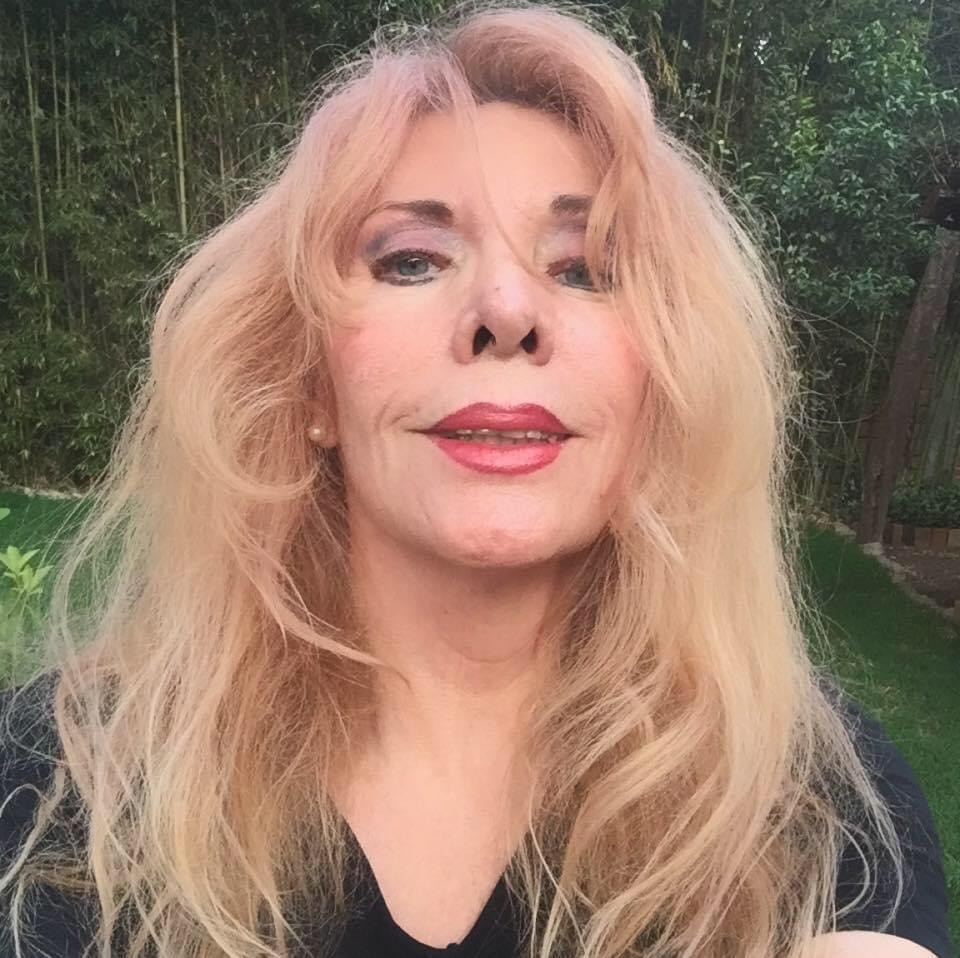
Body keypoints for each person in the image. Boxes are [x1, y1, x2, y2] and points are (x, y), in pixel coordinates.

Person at [0, 2, 952, 957]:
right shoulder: (58, 779)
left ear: (662, 388)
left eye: (586, 268)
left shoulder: (821, 804)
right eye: (413, 261)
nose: (505, 308)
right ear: (310, 384)